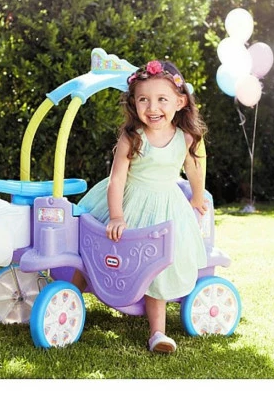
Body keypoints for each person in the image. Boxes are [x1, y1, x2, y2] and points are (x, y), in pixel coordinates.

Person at [72, 59, 208, 353]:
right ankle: (71, 296)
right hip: (129, 201)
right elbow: (117, 179)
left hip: (165, 208)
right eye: (143, 99)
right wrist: (116, 215)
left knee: (158, 266)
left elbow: (194, 168)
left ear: (180, 102)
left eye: (162, 99)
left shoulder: (185, 138)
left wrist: (197, 197)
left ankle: (157, 333)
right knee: (97, 248)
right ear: (134, 103)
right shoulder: (132, 137)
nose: (152, 107)